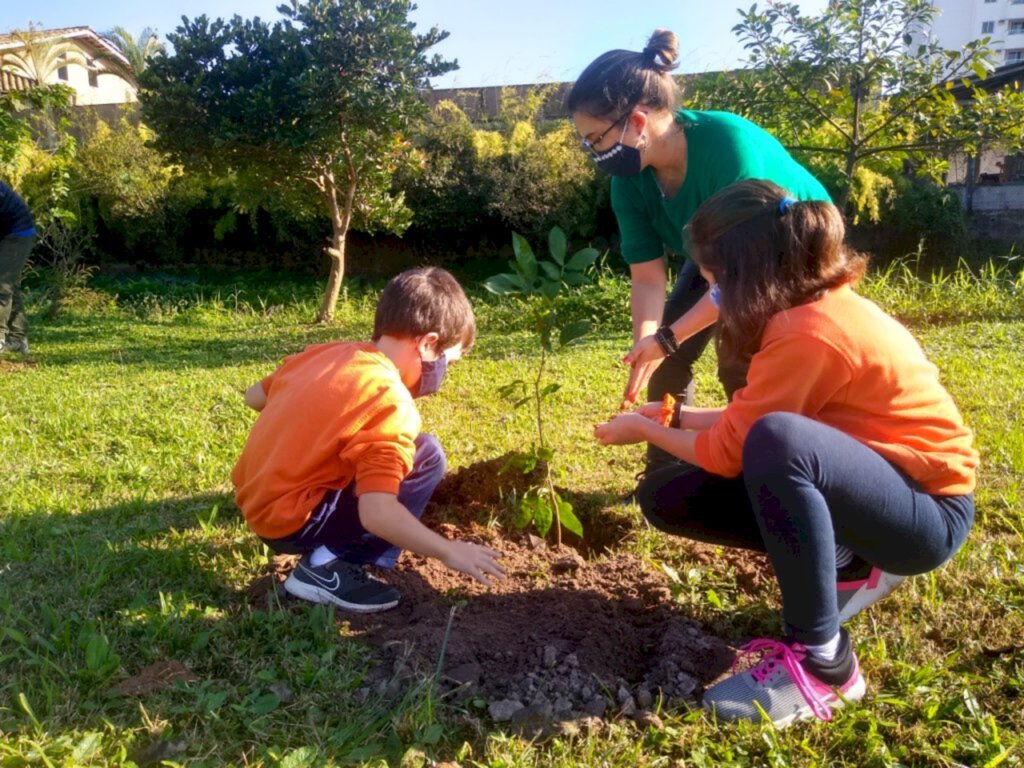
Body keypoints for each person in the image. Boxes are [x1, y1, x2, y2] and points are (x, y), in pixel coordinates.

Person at [594, 180, 978, 727]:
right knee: (668, 494)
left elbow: (735, 450)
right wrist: (670, 417)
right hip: (877, 485)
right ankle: (849, 560)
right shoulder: (800, 309)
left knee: (778, 444)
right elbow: (744, 422)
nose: (709, 290)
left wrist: (645, 429)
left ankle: (826, 667)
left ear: (746, 274)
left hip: (925, 513)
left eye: (713, 278)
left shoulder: (810, 332)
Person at [567, 29, 830, 470]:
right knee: (668, 362)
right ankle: (667, 473)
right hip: (719, 260)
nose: (594, 153)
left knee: (741, 364)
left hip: (791, 248)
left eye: (595, 140)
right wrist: (646, 345)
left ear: (636, 121)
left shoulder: (728, 149)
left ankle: (767, 467)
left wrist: (668, 338)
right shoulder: (629, 184)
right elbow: (648, 278)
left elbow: (743, 277)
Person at [232, 267, 505, 612]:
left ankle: (319, 550)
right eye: (447, 361)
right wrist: (449, 551)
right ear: (427, 343)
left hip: (256, 503)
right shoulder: (391, 401)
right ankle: (325, 567)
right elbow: (378, 514)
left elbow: (254, 397)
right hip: (291, 524)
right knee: (427, 455)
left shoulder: (324, 353)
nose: (443, 373)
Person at [0, 181, 36, 355]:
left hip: (17, 233)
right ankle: (18, 338)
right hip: (4, 231)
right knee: (8, 285)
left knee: (1, 284)